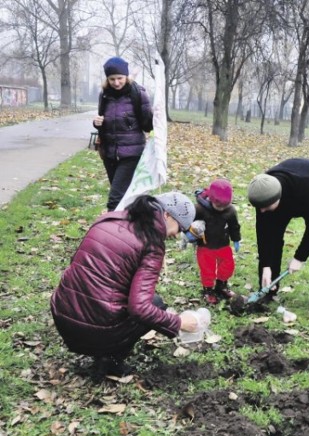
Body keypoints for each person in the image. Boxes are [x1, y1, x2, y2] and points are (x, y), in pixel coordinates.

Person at [50, 192, 200, 381]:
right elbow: (140, 308)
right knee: (156, 303)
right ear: (167, 215)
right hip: (95, 331)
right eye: (180, 228)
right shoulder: (151, 244)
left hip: (63, 317)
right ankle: (110, 360)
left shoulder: (108, 219)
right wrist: (178, 323)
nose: (176, 235)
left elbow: (77, 266)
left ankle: (102, 345)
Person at [247, 158, 309, 315]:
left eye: (265, 207)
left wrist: (299, 258)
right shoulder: (262, 192)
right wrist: (266, 266)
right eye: (259, 208)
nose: (261, 211)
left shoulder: (307, 191)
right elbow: (264, 236)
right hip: (287, 193)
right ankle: (268, 291)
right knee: (273, 239)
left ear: (277, 198)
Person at [93, 56, 153, 211]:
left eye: (119, 78)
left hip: (131, 154)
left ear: (126, 76)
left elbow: (148, 126)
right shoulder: (104, 95)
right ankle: (133, 226)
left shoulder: (138, 94)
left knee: (114, 200)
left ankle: (110, 231)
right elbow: (104, 125)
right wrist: (97, 123)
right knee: (124, 197)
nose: (116, 82)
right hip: (109, 154)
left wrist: (154, 116)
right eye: (112, 79)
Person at [193, 178, 242, 304]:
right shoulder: (200, 209)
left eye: (225, 206)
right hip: (205, 246)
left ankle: (221, 285)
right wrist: (191, 232)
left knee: (228, 265)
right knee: (207, 269)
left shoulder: (230, 211)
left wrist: (236, 239)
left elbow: (234, 226)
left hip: (223, 244)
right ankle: (208, 290)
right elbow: (190, 224)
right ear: (211, 199)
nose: (221, 208)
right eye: (218, 206)